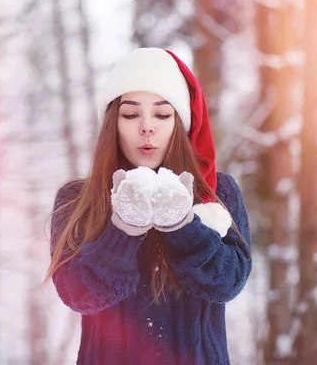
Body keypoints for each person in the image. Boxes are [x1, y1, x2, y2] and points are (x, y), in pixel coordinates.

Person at [45, 47, 252, 365]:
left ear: (181, 123)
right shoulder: (77, 200)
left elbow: (228, 281)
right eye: (130, 114)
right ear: (112, 123)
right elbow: (78, 294)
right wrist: (123, 230)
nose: (146, 127)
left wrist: (184, 227)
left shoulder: (218, 192)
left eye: (161, 114)